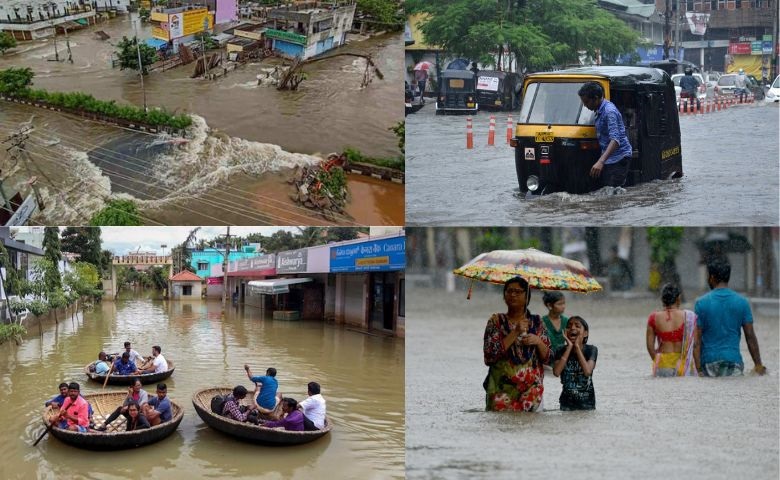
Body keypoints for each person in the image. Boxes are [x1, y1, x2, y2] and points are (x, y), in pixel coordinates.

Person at [483, 276, 551, 412]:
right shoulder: (496, 321)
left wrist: (537, 341)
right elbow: (490, 356)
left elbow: (548, 358)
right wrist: (515, 332)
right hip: (501, 390)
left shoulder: (537, 322)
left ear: (527, 297)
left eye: (518, 292)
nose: (512, 294)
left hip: (532, 392)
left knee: (530, 430)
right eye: (508, 291)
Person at [693, 259, 766, 377]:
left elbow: (696, 341)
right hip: (733, 362)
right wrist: (758, 365)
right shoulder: (742, 302)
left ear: (711, 278)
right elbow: (750, 336)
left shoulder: (701, 303)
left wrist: (699, 370)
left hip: (709, 363)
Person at [577, 81, 633, 188]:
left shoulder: (609, 112)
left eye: (587, 102)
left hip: (619, 157)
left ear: (596, 98)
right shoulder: (599, 109)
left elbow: (615, 140)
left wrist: (600, 161)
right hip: (609, 158)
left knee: (612, 191)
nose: (585, 105)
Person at [645, 284, 697, 377]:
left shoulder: (654, 318)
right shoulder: (689, 317)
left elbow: (649, 347)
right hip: (683, 365)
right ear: (678, 299)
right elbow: (696, 344)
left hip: (663, 365)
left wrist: (658, 361)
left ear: (662, 299)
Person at [552, 316, 597, 410]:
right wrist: (569, 347)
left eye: (577, 326)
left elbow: (587, 371)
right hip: (566, 403)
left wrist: (576, 347)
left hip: (587, 403)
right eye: (569, 326)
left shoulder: (591, 350)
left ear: (585, 333)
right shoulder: (560, 350)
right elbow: (556, 372)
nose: (572, 328)